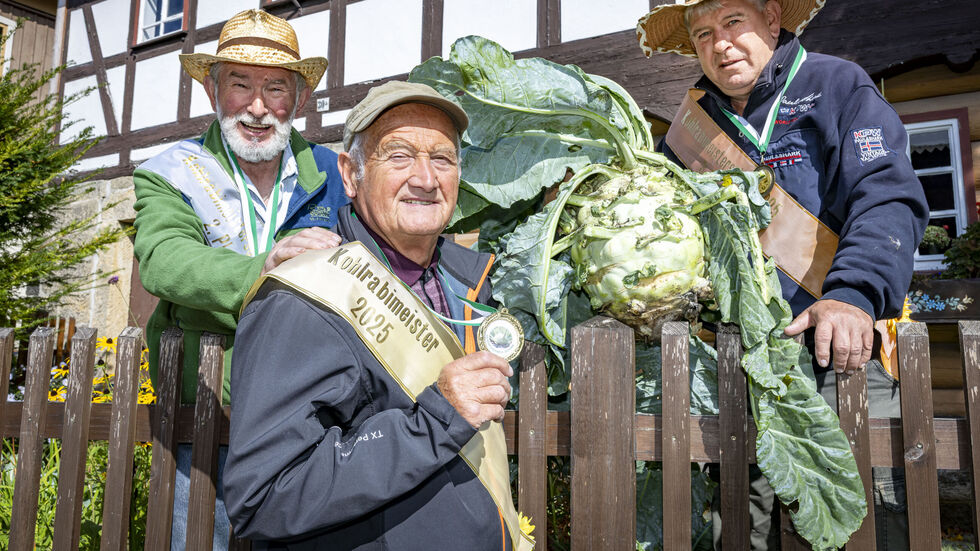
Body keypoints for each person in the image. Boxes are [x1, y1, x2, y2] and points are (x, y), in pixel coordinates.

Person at [637, 0, 928, 549]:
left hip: (836, 353)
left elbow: (886, 197)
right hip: (735, 370)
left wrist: (852, 295)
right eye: (702, 34)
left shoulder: (839, 85)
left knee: (867, 519)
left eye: (731, 23)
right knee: (744, 527)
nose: (719, 45)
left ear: (772, 19)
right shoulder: (688, 131)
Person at [223, 81, 533, 550]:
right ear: (350, 175)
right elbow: (264, 497)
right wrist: (435, 419)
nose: (426, 179)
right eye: (400, 155)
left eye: (443, 158)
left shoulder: (473, 283)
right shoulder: (303, 296)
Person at [131, 9, 347, 548]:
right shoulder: (169, 171)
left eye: (275, 87)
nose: (256, 107)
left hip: (313, 419)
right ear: (211, 90)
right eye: (239, 84)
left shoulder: (337, 173)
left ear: (298, 100)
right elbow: (164, 259)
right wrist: (264, 269)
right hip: (205, 419)